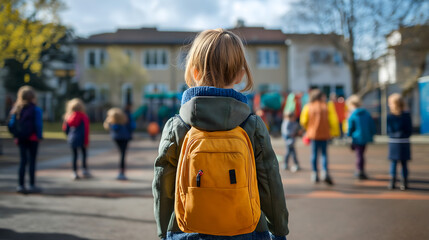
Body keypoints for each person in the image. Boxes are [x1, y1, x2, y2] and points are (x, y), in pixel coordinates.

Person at [152, 29, 289, 240]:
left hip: (187, 230)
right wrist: (279, 230)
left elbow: (163, 183)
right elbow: (270, 182)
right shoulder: (252, 125)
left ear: (194, 72)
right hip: (247, 228)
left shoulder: (176, 126)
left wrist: (164, 231)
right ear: (240, 74)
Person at [8, 86, 43, 194]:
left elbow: (11, 125)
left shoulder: (17, 109)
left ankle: (20, 185)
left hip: (21, 138)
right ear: (33, 97)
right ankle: (32, 184)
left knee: (23, 161)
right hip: (33, 138)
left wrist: (16, 135)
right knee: (32, 161)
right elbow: (38, 124)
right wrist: (39, 136)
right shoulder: (36, 109)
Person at [300, 89, 339, 185]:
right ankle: (324, 172)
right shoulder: (327, 106)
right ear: (321, 97)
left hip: (313, 134)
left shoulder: (308, 107)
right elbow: (333, 120)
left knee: (314, 154)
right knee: (324, 154)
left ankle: (314, 173)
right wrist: (334, 132)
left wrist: (308, 128)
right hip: (325, 134)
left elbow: (303, 120)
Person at [346, 95, 376, 180]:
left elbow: (350, 127)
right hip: (365, 137)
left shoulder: (353, 115)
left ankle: (359, 170)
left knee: (359, 155)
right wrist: (372, 134)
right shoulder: (366, 113)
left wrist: (348, 135)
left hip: (356, 138)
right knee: (362, 154)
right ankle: (361, 170)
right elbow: (372, 125)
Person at [387, 93, 412, 190]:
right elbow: (409, 130)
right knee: (402, 163)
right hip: (403, 142)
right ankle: (403, 182)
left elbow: (389, 130)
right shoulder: (406, 116)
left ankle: (394, 182)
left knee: (396, 163)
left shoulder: (390, 116)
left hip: (395, 142)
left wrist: (396, 135)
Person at [104, 108, 135, 180]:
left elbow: (110, 127)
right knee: (123, 154)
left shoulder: (113, 123)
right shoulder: (124, 121)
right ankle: (122, 172)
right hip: (125, 138)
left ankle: (121, 172)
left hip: (118, 138)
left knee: (122, 154)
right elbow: (131, 127)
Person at [62, 98, 91, 180]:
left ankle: (74, 171)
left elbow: (65, 129)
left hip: (72, 138)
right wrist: (86, 141)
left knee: (74, 156)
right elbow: (86, 129)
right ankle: (84, 169)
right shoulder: (84, 117)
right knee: (84, 154)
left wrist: (69, 136)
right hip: (82, 138)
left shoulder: (68, 117)